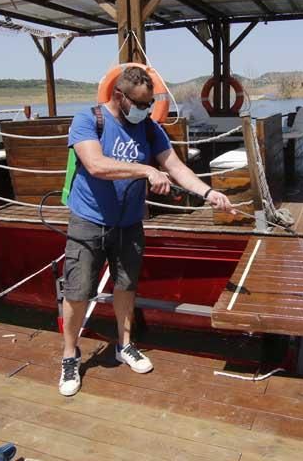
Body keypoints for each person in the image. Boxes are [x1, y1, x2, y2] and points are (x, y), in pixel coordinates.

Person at [59, 65, 235, 396]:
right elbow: (95, 165)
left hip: (129, 223)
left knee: (126, 286)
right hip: (88, 220)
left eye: (149, 103)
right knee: (78, 291)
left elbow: (176, 167)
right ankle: (70, 355)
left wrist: (208, 193)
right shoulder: (88, 119)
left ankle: (124, 345)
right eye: (140, 104)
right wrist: (144, 169)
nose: (146, 110)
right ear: (119, 96)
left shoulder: (151, 129)